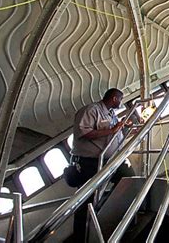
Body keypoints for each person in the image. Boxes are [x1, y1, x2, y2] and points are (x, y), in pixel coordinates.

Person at [70, 88, 135, 241]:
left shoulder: (111, 114)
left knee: (129, 180)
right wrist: (112, 130)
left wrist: (124, 128)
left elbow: (112, 134)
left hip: (111, 160)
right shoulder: (91, 111)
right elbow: (84, 133)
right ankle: (80, 237)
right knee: (87, 201)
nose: (121, 102)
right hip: (89, 163)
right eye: (120, 99)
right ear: (114, 98)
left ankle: (113, 215)